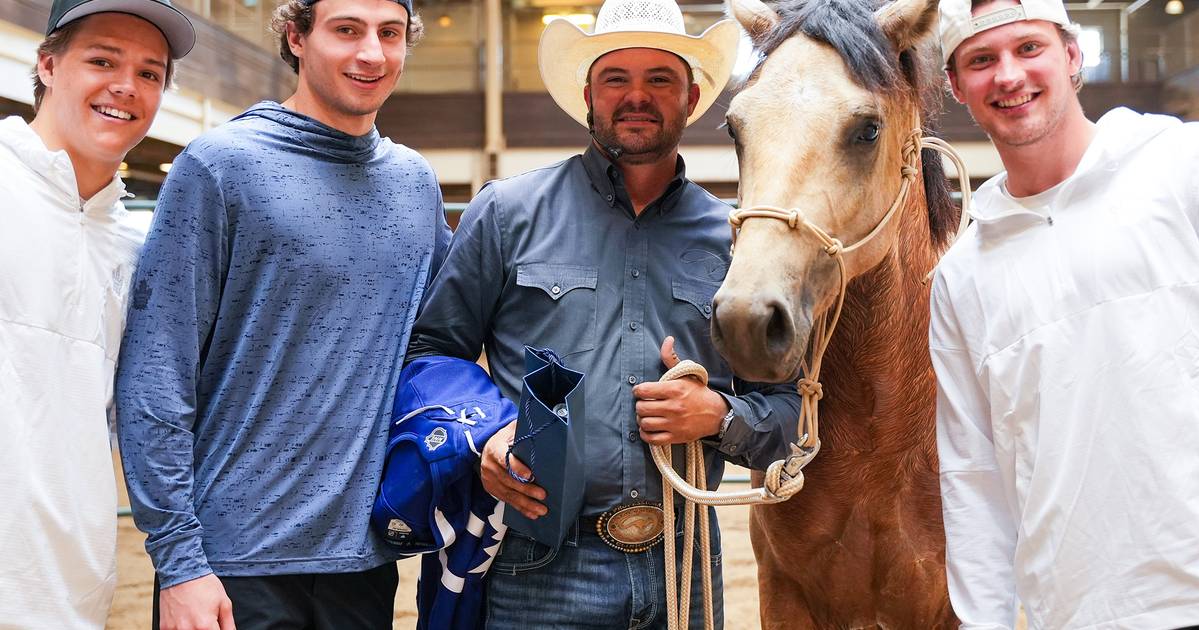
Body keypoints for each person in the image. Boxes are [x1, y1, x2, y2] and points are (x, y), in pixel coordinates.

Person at [405, 0, 801, 626]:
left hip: (686, 563)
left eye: (660, 80)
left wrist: (719, 415)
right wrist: (482, 433)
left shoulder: (736, 240)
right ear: (588, 93)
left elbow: (790, 411)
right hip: (539, 562)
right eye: (616, 78)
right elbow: (432, 355)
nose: (636, 96)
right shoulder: (507, 214)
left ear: (692, 97)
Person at [114, 0, 450, 626]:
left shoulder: (414, 182)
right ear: (296, 36)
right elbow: (156, 374)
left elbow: (438, 345)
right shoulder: (219, 166)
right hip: (230, 560)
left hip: (364, 560)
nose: (371, 52)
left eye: (390, 33)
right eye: (346, 30)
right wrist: (178, 558)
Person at [931, 0, 1199, 627]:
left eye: (1029, 48)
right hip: (1075, 609)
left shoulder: (1179, 166)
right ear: (956, 87)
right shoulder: (961, 277)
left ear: (1072, 55)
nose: (1007, 75)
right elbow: (972, 472)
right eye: (981, 59)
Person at [0, 0, 193, 627]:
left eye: (149, 72)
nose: (125, 86)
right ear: (48, 65)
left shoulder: (135, 251)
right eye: (102, 60)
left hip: (72, 591)